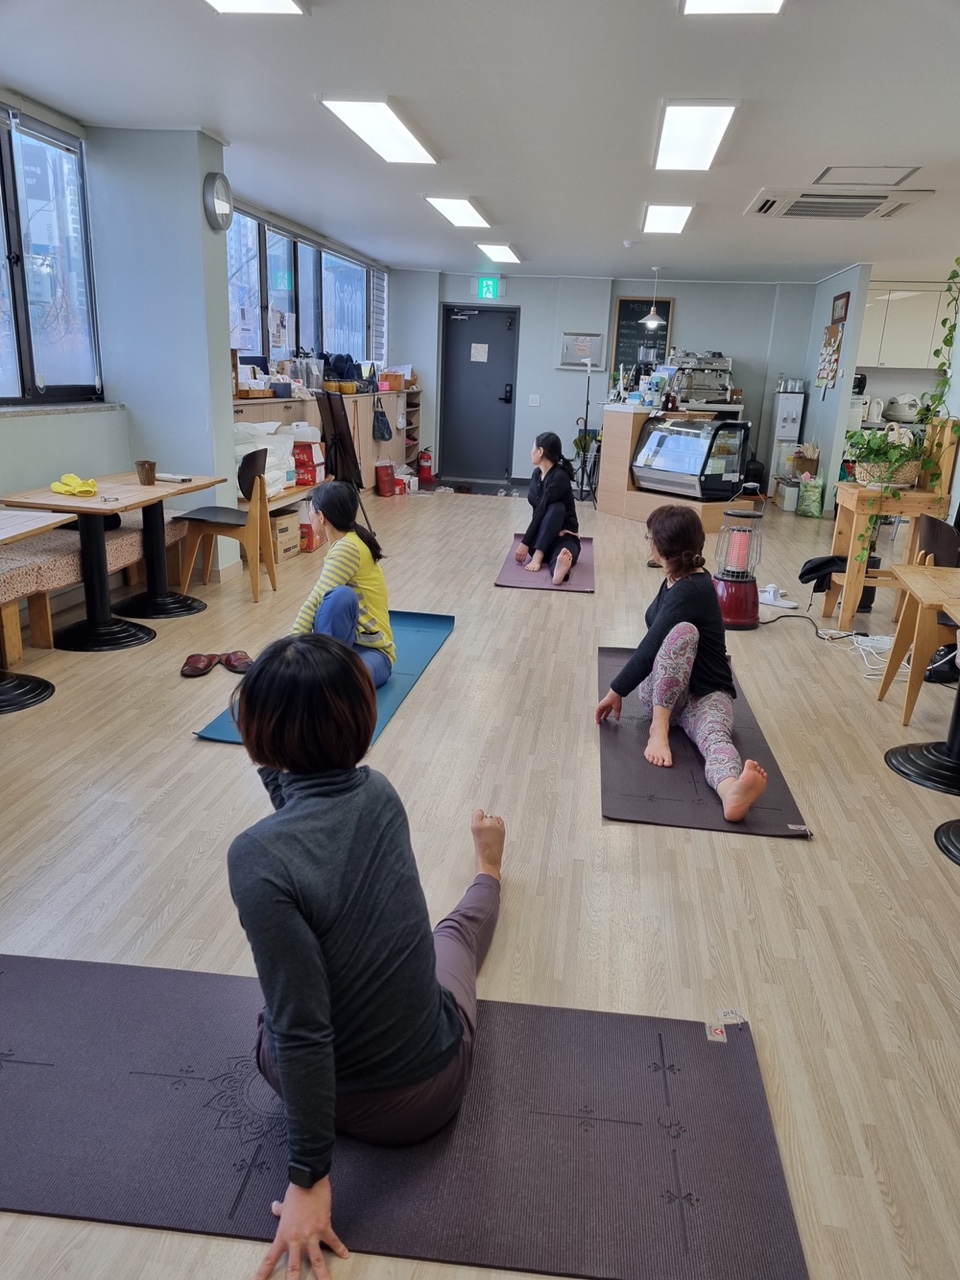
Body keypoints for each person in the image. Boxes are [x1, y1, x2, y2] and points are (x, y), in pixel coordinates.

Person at [228, 633, 506, 1280]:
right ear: (365, 720)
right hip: (423, 1099)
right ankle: (488, 868)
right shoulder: (379, 794)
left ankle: (487, 869)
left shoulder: (256, 856)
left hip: (303, 1082)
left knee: (281, 1012)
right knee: (453, 937)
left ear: (256, 743)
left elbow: (299, 1027)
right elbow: (306, 1025)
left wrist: (309, 1177)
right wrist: (308, 1176)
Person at [594, 504, 768, 822]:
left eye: (650, 537)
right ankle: (659, 728)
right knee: (682, 633)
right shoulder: (675, 580)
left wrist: (615, 690)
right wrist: (618, 690)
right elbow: (653, 646)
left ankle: (731, 791)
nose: (649, 542)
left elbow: (650, 648)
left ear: (663, 547)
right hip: (664, 696)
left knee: (715, 737)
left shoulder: (692, 588)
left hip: (705, 696)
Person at [291, 481, 394, 688]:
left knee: (338, 596)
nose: (309, 516)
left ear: (321, 517)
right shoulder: (348, 540)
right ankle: (321, 670)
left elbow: (315, 601)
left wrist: (288, 649)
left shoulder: (347, 548)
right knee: (339, 596)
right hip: (349, 646)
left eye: (310, 511)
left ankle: (321, 672)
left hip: (375, 653)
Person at [514, 432, 581, 585]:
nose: (531, 451)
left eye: (533, 448)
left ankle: (557, 572)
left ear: (540, 451)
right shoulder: (536, 475)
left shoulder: (560, 477)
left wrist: (525, 542)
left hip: (564, 537)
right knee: (554, 553)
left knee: (557, 508)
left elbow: (543, 508)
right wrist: (528, 541)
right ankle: (549, 558)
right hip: (540, 538)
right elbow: (538, 511)